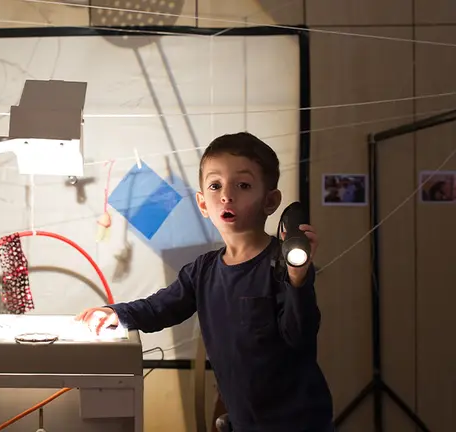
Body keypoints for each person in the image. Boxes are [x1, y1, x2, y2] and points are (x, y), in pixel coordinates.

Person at [76, 132, 334, 432]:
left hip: (299, 423)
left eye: (243, 185)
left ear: (270, 201)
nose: (226, 196)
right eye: (215, 186)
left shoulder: (284, 265)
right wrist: (115, 313)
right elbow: (160, 308)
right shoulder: (202, 271)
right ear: (202, 203)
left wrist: (298, 280)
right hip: (243, 421)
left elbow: (300, 336)